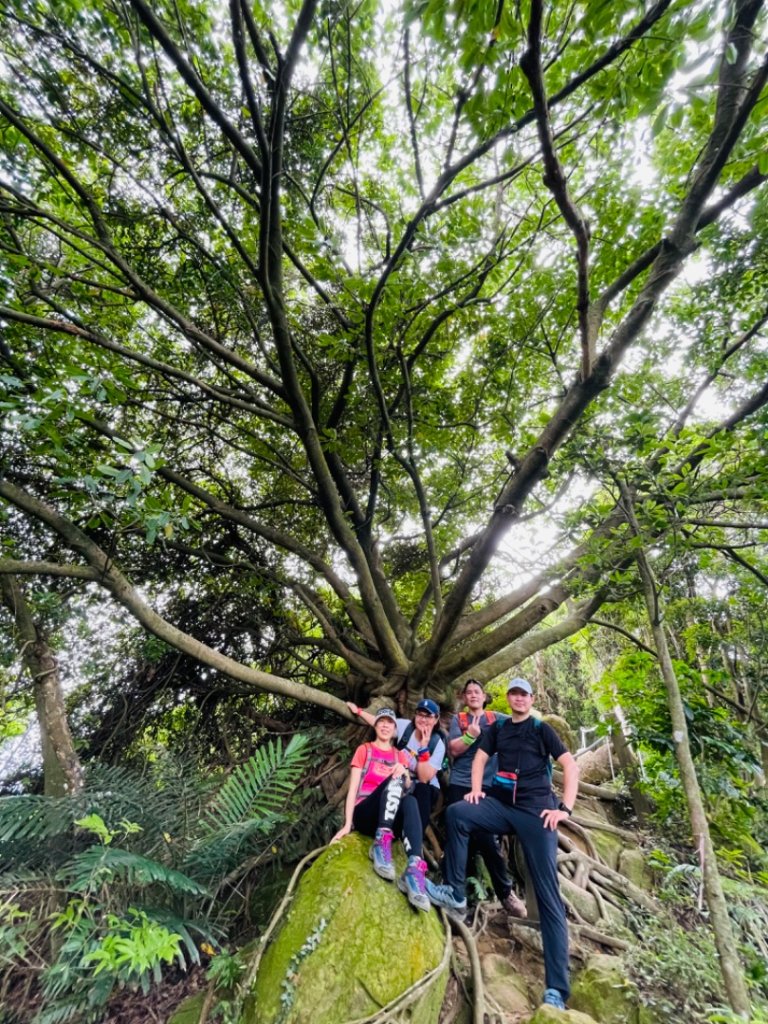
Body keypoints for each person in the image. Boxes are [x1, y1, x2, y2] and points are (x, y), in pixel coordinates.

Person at [426, 678, 579, 1012]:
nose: (519, 699)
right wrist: (477, 788)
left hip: (537, 813)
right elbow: (478, 758)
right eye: (515, 694)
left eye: (524, 694)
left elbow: (569, 765)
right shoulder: (499, 727)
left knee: (548, 893)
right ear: (508, 698)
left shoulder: (542, 729)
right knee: (458, 813)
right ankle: (455, 892)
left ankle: (556, 988)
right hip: (501, 805)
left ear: (531, 699)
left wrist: (564, 809)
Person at [346, 697, 446, 911]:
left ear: (436, 719)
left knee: (412, 798)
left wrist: (413, 762)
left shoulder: (423, 748)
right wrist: (359, 710)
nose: (424, 719)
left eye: (429, 716)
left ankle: (414, 868)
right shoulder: (367, 748)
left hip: (413, 789)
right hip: (366, 809)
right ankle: (381, 844)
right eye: (420, 714)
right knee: (399, 783)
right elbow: (380, 721)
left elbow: (423, 778)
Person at [446, 678, 526, 918]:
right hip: (461, 783)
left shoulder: (497, 719)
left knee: (486, 839)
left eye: (477, 692)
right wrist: (470, 735)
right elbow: (454, 750)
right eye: (468, 692)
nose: (473, 695)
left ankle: (505, 893)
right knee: (458, 838)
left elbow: (520, 724)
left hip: (488, 786)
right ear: (463, 697)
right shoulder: (458, 720)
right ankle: (458, 895)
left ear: (484, 696)